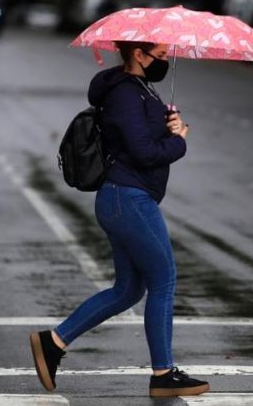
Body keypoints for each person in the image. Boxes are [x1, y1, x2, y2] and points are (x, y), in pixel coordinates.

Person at [29, 41, 210, 398]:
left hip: (124, 199)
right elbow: (143, 153)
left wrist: (167, 123)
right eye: (159, 56)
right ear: (138, 54)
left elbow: (138, 138)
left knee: (128, 289)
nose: (165, 63)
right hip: (128, 199)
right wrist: (178, 142)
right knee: (164, 280)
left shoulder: (138, 89)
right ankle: (163, 373)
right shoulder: (126, 94)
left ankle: (53, 342)